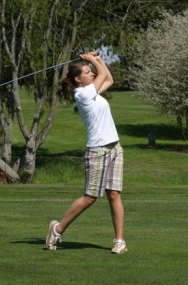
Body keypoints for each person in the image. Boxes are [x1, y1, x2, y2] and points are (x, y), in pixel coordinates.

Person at [45, 51, 127, 254]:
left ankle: (119, 241)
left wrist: (98, 60)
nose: (91, 74)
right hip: (97, 150)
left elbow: (108, 78)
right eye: (87, 72)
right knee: (90, 197)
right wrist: (92, 60)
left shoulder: (93, 92)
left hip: (115, 147)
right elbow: (101, 77)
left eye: (91, 72)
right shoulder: (81, 94)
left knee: (114, 194)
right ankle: (57, 229)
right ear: (77, 79)